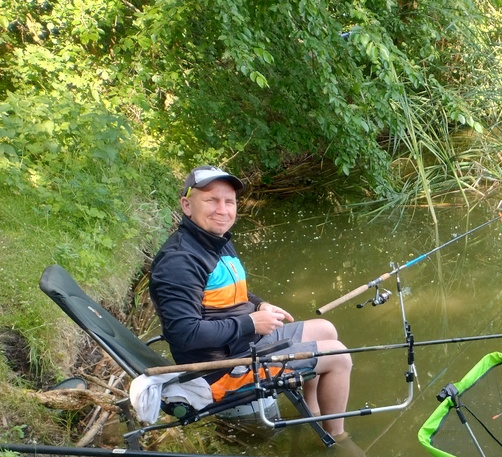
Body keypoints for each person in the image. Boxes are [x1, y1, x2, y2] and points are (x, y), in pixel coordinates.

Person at [149, 165, 353, 439]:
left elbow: (235, 294)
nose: (223, 209)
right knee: (338, 356)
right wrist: (249, 323)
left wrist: (260, 305)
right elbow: (184, 334)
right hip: (223, 369)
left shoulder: (216, 241)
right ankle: (338, 438)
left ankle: (313, 411)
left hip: (244, 344)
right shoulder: (180, 261)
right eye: (211, 200)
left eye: (229, 201)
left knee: (326, 329)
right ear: (187, 205)